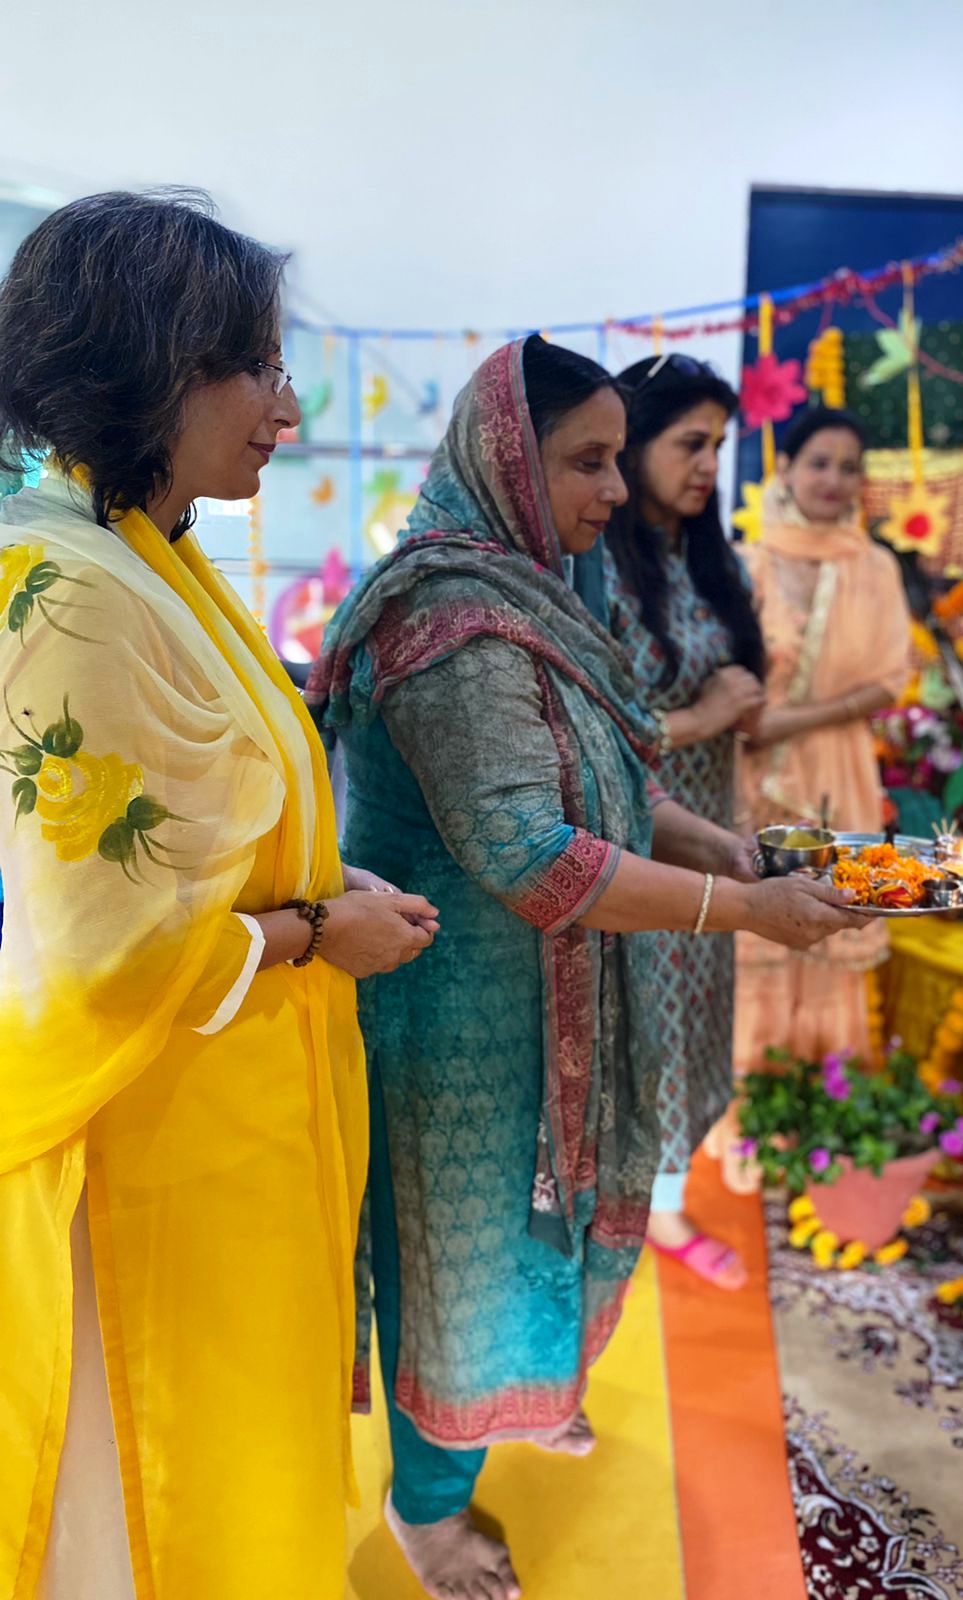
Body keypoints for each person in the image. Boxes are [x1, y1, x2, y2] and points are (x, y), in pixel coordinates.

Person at [308, 336, 863, 1600]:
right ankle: (426, 1507)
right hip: (454, 1012)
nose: (616, 488)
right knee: (460, 1266)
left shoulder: (542, 589)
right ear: (509, 458)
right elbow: (532, 856)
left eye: (620, 458)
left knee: (537, 1243)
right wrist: (745, 906)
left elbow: (607, 773)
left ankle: (523, 1396)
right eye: (587, 460)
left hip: (550, 989)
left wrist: (714, 842)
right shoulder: (446, 621)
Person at [0, 191, 434, 1600]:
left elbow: (211, 821)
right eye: (251, 365)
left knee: (248, 1425)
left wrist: (323, 878)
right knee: (158, 1478)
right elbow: (103, 949)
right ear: (144, 361)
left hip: (233, 1087)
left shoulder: (147, 551)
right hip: (154, 1130)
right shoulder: (70, 585)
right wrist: (316, 929)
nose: (286, 407)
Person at [603, 353, 764, 1289]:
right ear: (633, 444)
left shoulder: (709, 558)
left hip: (714, 827)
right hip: (635, 840)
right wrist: (704, 717)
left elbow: (742, 690)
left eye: (719, 447)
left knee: (698, 1016)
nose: (708, 465)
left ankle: (667, 1193)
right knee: (649, 1029)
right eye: (690, 443)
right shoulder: (597, 567)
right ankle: (643, 1209)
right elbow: (592, 734)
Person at [737, 406, 912, 1070]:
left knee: (832, 918)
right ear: (784, 468)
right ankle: (752, 1104)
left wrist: (787, 721)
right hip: (751, 776)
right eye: (819, 463)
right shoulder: (746, 564)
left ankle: (824, 1101)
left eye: (849, 468)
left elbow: (890, 679)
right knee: (759, 916)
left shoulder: (876, 567)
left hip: (839, 770)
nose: (834, 480)